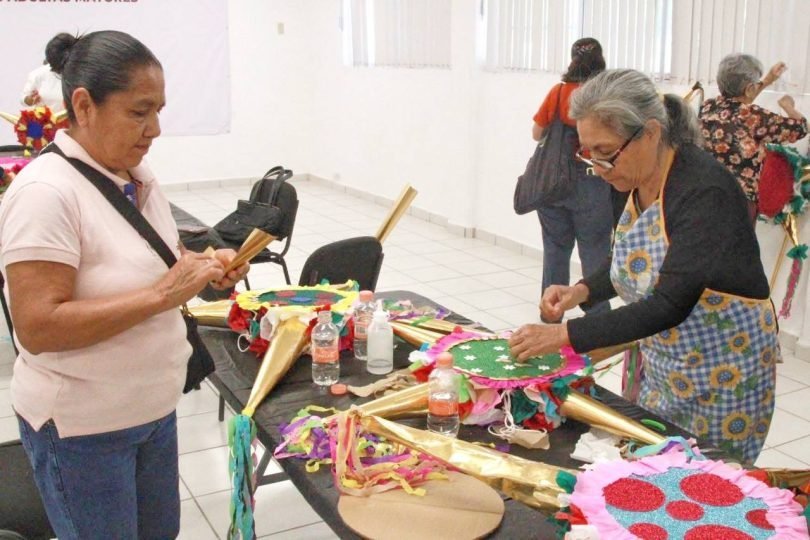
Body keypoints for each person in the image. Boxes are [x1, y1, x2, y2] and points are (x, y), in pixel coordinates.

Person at [0, 31, 249, 538]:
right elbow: (37, 327)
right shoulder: (45, 193)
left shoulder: (136, 175)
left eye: (158, 110)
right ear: (83, 106)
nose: (154, 129)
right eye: (139, 112)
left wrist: (202, 266)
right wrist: (162, 294)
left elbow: (150, 260)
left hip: (152, 409)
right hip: (84, 429)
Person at [509, 69, 778, 465]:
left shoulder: (705, 192)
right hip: (666, 364)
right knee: (654, 462)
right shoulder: (633, 177)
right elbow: (635, 256)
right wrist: (582, 291)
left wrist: (563, 334)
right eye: (588, 153)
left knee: (704, 480)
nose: (597, 166)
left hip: (721, 372)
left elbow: (669, 303)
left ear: (650, 133)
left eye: (605, 151)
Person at [531, 37, 614, 322]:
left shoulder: (559, 92)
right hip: (594, 180)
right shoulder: (606, 96)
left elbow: (536, 133)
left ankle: (551, 314)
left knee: (555, 249)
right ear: (601, 60)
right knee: (595, 252)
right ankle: (598, 321)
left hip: (553, 184)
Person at [700, 54, 807, 224]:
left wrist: (768, 80)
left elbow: (740, 101)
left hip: (704, 197)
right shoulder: (754, 117)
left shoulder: (708, 107)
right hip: (738, 204)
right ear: (750, 88)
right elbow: (801, 127)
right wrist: (788, 106)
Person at [20, 32, 73, 111]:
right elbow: (23, 98)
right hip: (47, 118)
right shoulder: (38, 74)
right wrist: (29, 100)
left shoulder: (83, 73)